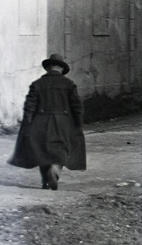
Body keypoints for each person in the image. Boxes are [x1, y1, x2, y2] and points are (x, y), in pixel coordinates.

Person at [9, 54, 87, 190]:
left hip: (40, 121)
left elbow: (29, 106)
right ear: (61, 68)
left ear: (48, 68)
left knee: (42, 151)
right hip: (63, 121)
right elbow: (77, 106)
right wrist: (77, 123)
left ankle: (45, 180)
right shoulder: (69, 84)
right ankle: (55, 169)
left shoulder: (37, 84)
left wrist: (28, 123)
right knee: (61, 149)